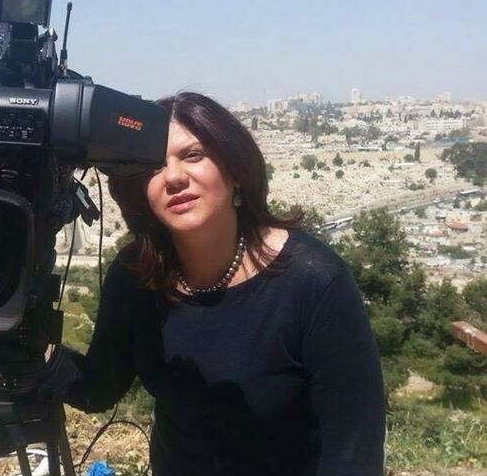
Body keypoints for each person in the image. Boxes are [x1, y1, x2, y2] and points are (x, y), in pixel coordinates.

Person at [45, 91, 386, 475]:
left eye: (193, 156)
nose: (173, 177)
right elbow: (98, 386)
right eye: (154, 165)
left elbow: (354, 448)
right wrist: (28, 345)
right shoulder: (137, 276)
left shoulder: (314, 281)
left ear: (235, 169)